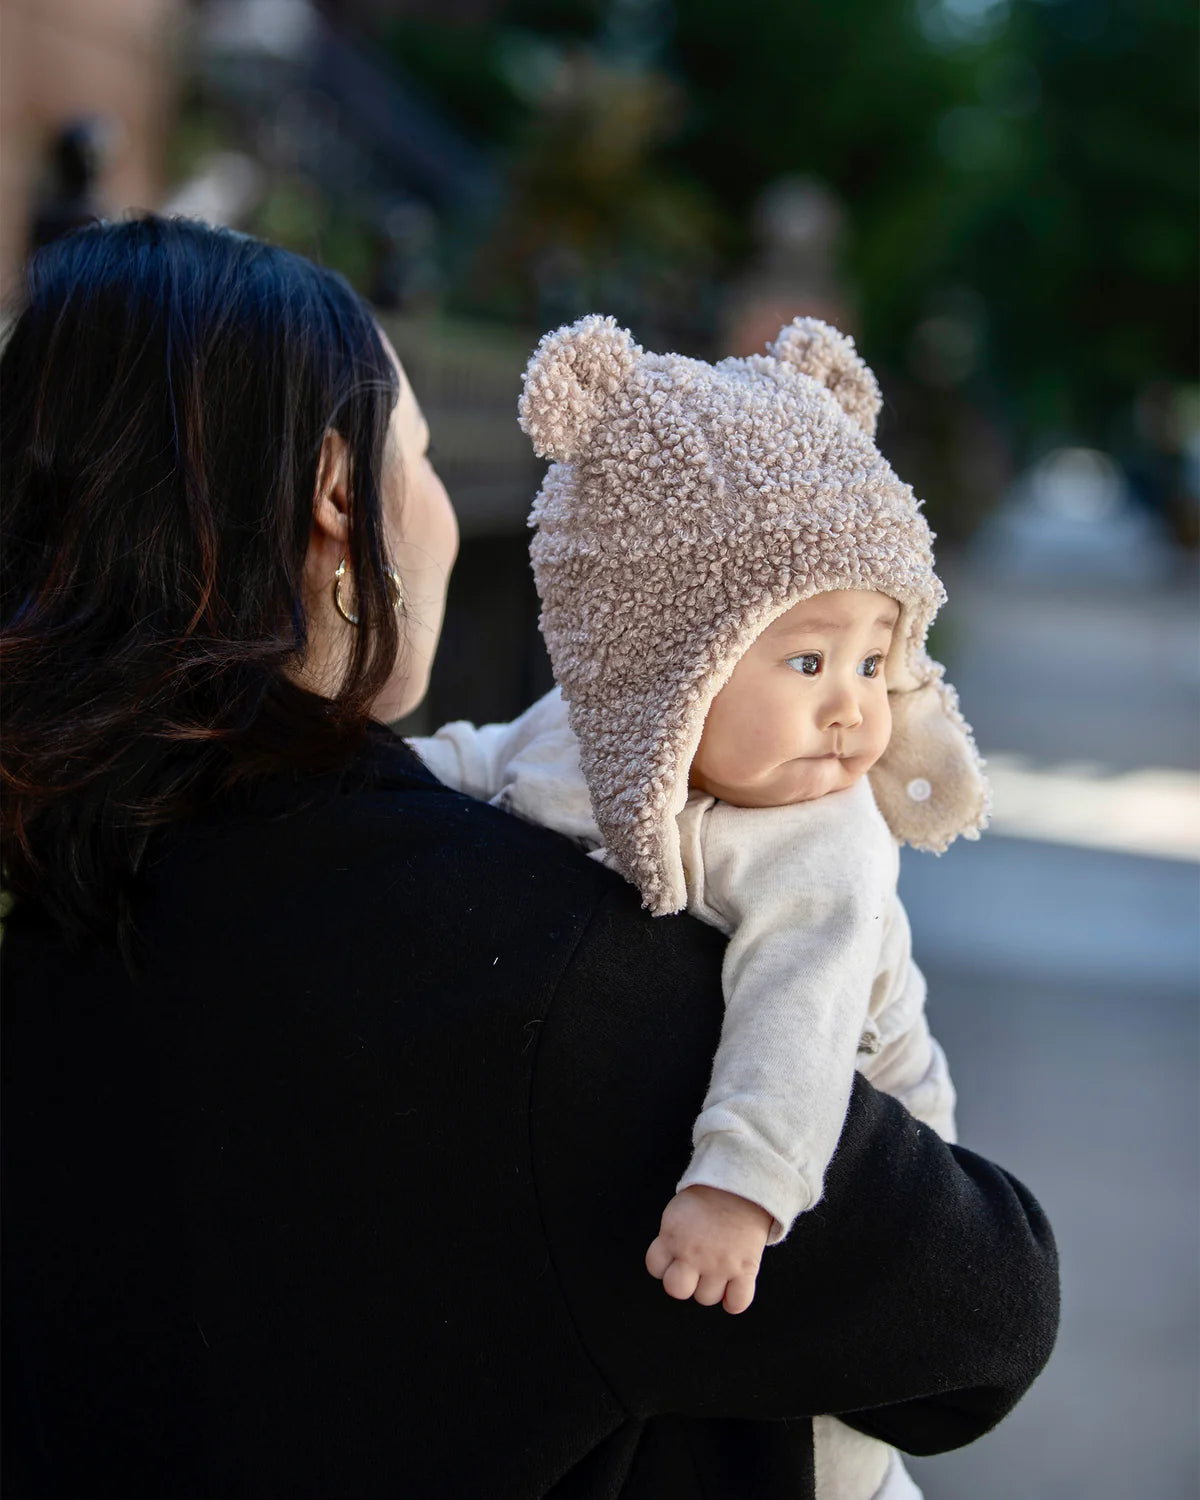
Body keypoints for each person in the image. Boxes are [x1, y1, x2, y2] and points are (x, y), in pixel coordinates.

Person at [0, 216, 1058, 1500]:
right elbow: (980, 1321)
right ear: (340, 492)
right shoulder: (541, 974)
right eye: (427, 457)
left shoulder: (63, 888)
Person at [408, 315, 988, 1500]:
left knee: (828, 1433)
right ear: (666, 659)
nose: (853, 714)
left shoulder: (820, 840)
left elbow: (803, 1015)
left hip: (837, 1115)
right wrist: (370, 778)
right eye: (809, 663)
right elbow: (476, 759)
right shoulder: (589, 737)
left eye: (877, 662)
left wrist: (741, 1190)